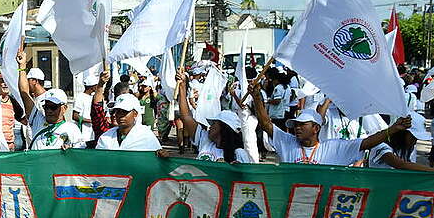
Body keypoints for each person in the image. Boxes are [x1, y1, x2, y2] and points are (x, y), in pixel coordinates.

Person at [250, 77, 410, 165]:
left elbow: (367, 143)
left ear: (315, 129)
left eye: (302, 125)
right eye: (296, 125)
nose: (297, 128)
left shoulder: (333, 147)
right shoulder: (287, 142)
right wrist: (257, 97)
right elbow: (265, 124)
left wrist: (394, 129)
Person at [170, 69, 251, 163]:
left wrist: (229, 168)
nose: (210, 126)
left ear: (224, 128)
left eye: (214, 123)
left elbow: (244, 176)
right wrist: (182, 86)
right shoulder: (204, 139)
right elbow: (186, 116)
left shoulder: (239, 154)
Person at [95, 93, 162, 151]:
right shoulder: (106, 137)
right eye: (118, 111)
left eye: (125, 112)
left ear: (135, 114)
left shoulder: (146, 136)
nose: (120, 115)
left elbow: (155, 159)